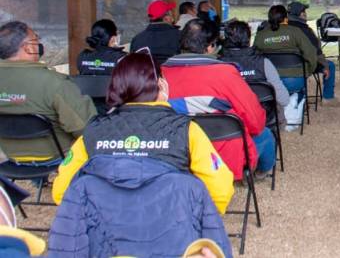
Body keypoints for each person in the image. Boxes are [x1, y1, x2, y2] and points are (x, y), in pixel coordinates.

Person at [52, 52, 234, 214]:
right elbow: (220, 190)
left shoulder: (93, 132)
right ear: (161, 83)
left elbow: (61, 192)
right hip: (169, 231)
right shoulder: (186, 130)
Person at [164, 20, 275, 179]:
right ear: (210, 46)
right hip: (222, 154)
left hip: (176, 153)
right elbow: (254, 119)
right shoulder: (225, 73)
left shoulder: (160, 74)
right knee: (265, 135)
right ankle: (260, 173)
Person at [0, 21, 96, 164]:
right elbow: (86, 128)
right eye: (36, 39)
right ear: (27, 47)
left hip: (8, 157)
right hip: (55, 157)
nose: (39, 43)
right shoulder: (55, 83)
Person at [220, 20, 291, 123]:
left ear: (226, 39)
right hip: (262, 119)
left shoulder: (217, 64)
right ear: (249, 39)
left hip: (230, 121)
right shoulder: (264, 63)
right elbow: (283, 99)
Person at [253, 5, 318, 101]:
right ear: (286, 17)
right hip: (294, 80)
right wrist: (307, 72)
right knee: (298, 90)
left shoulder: (261, 35)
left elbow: (254, 57)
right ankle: (295, 109)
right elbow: (311, 54)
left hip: (269, 82)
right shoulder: (295, 32)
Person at [286, 1, 340, 107]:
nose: (305, 13)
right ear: (300, 14)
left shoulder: (280, 28)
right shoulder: (305, 30)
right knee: (330, 65)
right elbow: (316, 51)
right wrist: (324, 66)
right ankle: (328, 98)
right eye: (303, 11)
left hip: (282, 65)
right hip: (303, 65)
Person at [130, 0, 181, 65]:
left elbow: (132, 64)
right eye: (171, 15)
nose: (173, 19)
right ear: (166, 18)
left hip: (146, 74)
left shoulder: (137, 39)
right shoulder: (180, 36)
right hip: (173, 74)